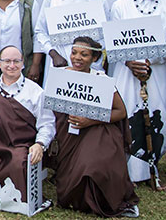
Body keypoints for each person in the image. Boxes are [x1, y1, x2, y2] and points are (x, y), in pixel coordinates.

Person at [109, 0, 166, 186]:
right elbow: (114, 41)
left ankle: (151, 166)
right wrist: (130, 61)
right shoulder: (121, 5)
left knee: (157, 114)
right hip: (128, 70)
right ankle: (128, 167)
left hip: (158, 71)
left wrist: (151, 59)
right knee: (129, 112)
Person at [52, 37, 139, 217]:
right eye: (74, 53)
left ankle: (97, 198)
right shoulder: (60, 76)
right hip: (67, 132)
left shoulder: (101, 79)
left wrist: (90, 120)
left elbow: (120, 112)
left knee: (92, 164)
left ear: (94, 58)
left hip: (96, 129)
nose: (77, 58)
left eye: (84, 54)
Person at [0, 46, 54, 214]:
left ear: (23, 64)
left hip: (23, 147)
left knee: (17, 163)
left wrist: (40, 144)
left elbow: (47, 123)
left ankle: (18, 201)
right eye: (7, 61)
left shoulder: (35, 91)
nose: (11, 65)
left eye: (16, 61)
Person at [34, 0, 110, 78]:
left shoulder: (100, 2)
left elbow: (106, 36)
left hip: (89, 68)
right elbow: (40, 31)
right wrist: (53, 54)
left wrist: (91, 57)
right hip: (59, 63)